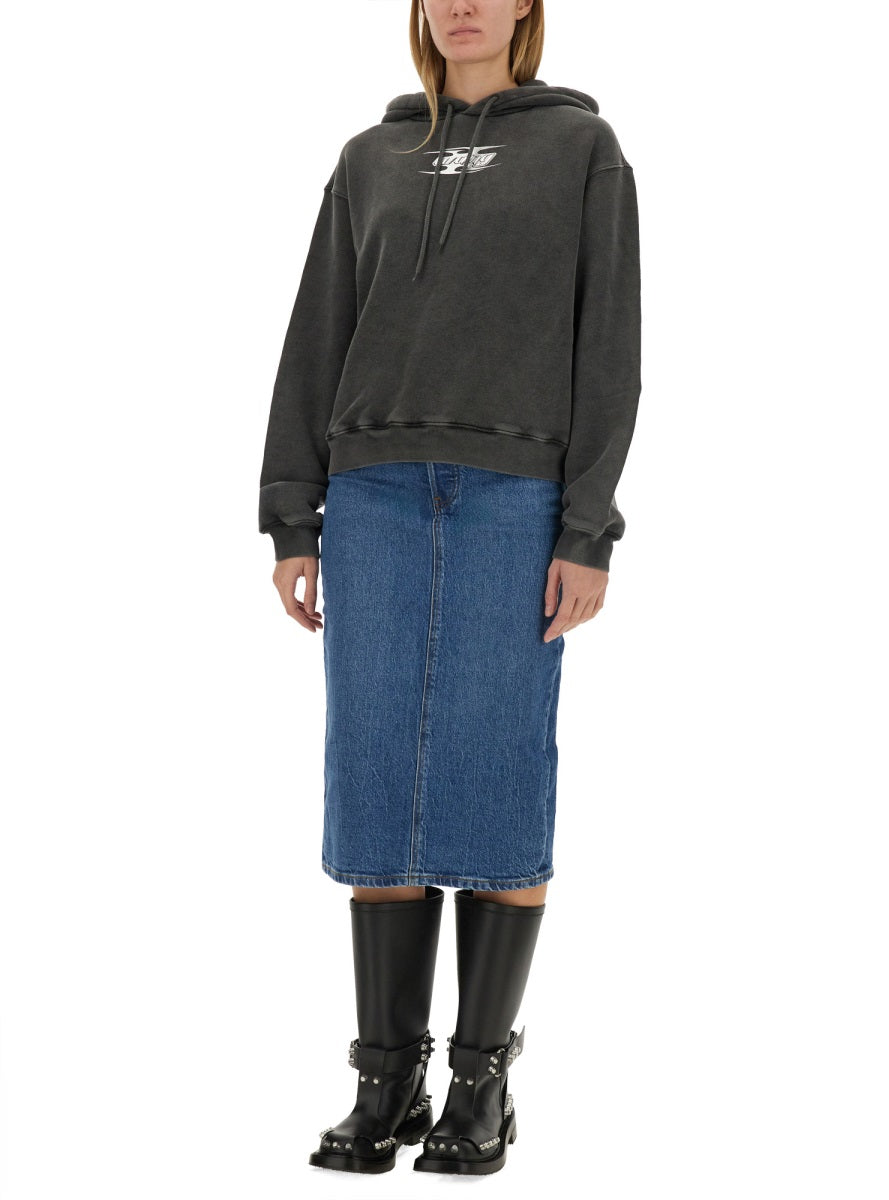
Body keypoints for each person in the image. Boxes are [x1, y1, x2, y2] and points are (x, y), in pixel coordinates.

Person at [257, 0, 641, 1177]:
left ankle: (483, 1084)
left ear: (527, 5)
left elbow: (609, 345)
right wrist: (292, 511)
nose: (461, 4)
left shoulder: (583, 149)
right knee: (374, 771)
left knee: (496, 762)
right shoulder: (368, 157)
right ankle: (386, 1080)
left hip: (514, 499)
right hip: (370, 492)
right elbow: (316, 333)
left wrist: (587, 526)